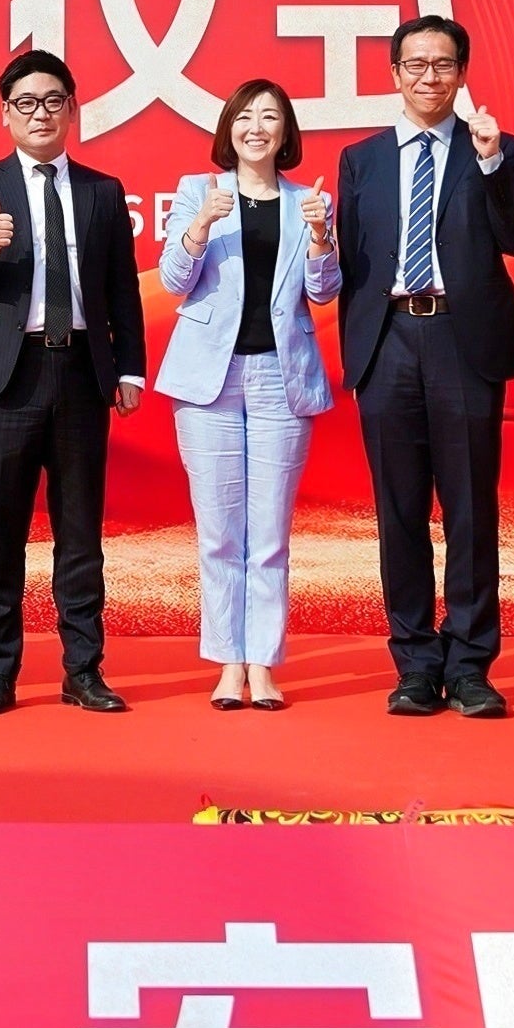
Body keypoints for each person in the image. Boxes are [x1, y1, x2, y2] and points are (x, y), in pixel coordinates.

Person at [332, 15, 514, 719]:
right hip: (389, 341)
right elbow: (351, 263)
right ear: (394, 74)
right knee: (399, 512)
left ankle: (471, 665)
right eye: (415, 64)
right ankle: (416, 665)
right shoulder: (361, 160)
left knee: (471, 510)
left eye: (442, 64)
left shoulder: (496, 148)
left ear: (461, 73)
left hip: (462, 340)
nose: (429, 76)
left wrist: (491, 162)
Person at [0, 50, 147, 715]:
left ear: (72, 110)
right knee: (3, 532)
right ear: (6, 113)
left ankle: (83, 670)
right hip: (10, 376)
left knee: (80, 533)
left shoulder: (102, 191)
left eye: (54, 101)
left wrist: (130, 368)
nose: (41, 114)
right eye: (26, 103)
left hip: (82, 371)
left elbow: (122, 289)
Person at [155, 81, 339, 711]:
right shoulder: (196, 192)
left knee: (270, 533)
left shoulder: (310, 201)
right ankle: (228, 663)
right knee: (219, 532)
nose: (256, 127)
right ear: (228, 128)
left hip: (280, 379)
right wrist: (201, 224)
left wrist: (321, 239)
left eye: (270, 117)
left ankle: (262, 663)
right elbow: (175, 280)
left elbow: (323, 292)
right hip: (210, 378)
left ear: (285, 133)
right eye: (245, 116)